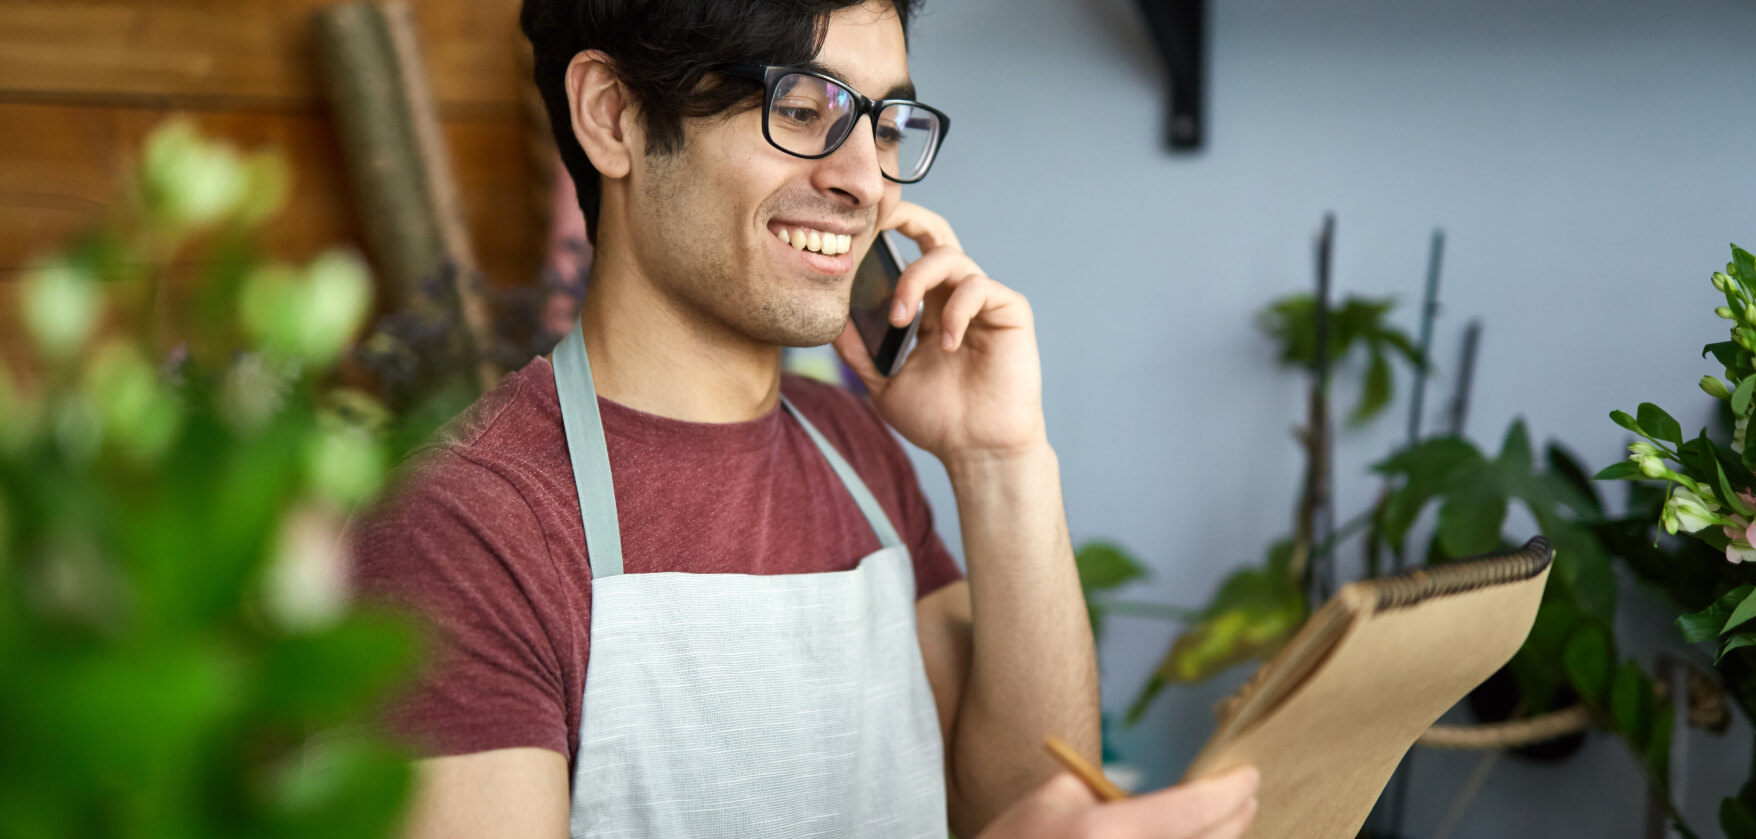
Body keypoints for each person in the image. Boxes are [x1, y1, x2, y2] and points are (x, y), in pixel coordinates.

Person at [347, 0, 1262, 836]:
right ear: (612, 116)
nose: (866, 181)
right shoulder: (460, 528)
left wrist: (1001, 458)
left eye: (885, 123)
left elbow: (1024, 803)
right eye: (801, 108)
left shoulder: (860, 452)